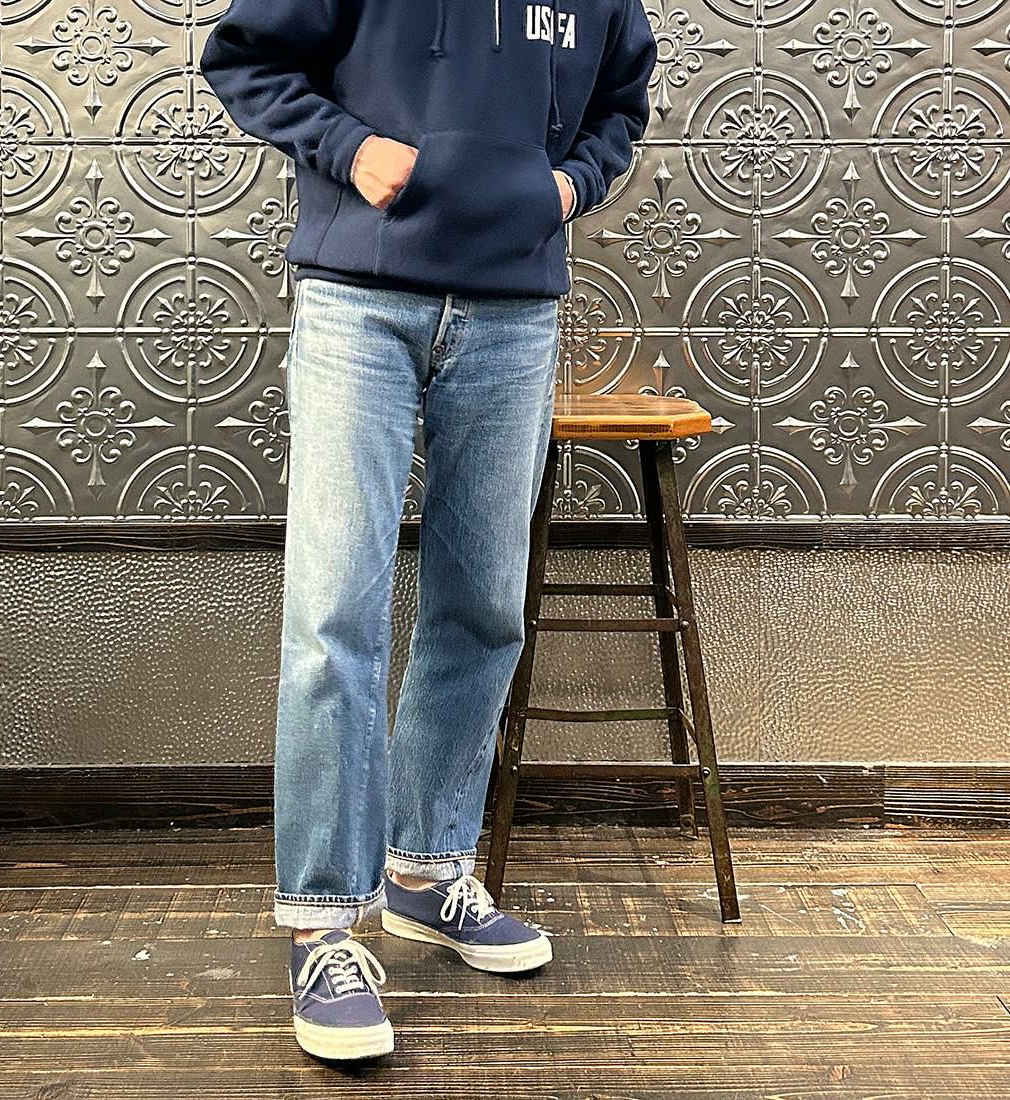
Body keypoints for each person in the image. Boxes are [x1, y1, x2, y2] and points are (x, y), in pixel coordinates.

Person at [200, 0, 657, 1062]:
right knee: (333, 613)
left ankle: (426, 869)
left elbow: (622, 102)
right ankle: (323, 924)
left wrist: (566, 187)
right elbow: (244, 57)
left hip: (515, 309)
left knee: (483, 604)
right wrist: (349, 149)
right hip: (358, 300)